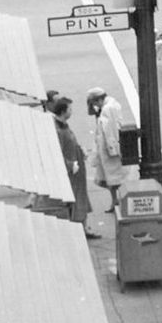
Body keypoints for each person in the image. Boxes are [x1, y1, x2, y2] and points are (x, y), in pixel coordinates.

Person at [50, 96, 99, 238]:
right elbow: (58, 151)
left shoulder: (63, 125)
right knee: (75, 199)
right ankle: (80, 227)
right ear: (64, 111)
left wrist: (80, 150)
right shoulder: (58, 129)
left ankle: (83, 226)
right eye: (70, 109)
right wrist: (71, 164)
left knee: (80, 198)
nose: (71, 111)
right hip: (72, 171)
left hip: (76, 169)